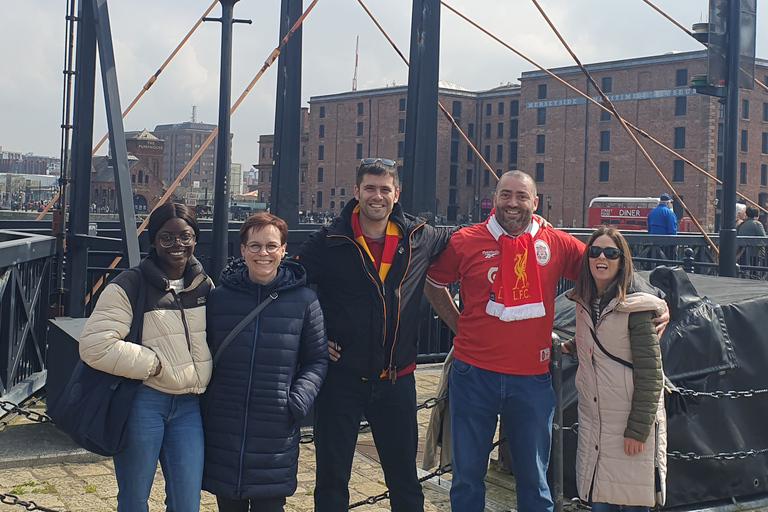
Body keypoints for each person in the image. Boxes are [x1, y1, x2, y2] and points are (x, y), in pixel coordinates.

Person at [423, 171, 669, 512]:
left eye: (522, 196)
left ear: (535, 202)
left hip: (532, 380)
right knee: (466, 476)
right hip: (473, 375)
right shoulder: (466, 240)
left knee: (535, 480)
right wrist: (458, 324)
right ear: (495, 199)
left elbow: (607, 265)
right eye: (505, 195)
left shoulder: (554, 242)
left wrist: (655, 300)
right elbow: (433, 281)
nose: (513, 203)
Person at [294, 157, 456, 511]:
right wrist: (314, 339)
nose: (377, 196)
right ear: (356, 192)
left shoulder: (420, 237)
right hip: (341, 380)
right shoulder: (329, 240)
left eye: (385, 189)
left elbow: (473, 239)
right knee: (332, 480)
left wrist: (529, 222)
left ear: (396, 194)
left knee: (405, 483)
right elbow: (289, 285)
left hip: (397, 381)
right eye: (370, 188)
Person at [79, 202, 213, 512]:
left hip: (190, 405)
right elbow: (94, 345)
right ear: (153, 240)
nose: (177, 245)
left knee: (187, 502)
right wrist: (152, 364)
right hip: (143, 401)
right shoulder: (129, 284)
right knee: (135, 498)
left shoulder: (204, 284)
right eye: (167, 237)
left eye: (186, 236)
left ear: (195, 238)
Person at [202, 213, 328, 512]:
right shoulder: (218, 300)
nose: (263, 253)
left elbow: (317, 358)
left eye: (272, 246)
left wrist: (296, 400)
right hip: (225, 425)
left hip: (275, 427)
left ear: (284, 250)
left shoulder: (304, 300)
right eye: (255, 246)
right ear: (243, 249)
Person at [563, 227, 667, 511]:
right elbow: (600, 336)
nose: (602, 258)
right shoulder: (585, 301)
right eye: (595, 251)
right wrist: (569, 346)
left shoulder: (637, 307)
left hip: (626, 424)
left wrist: (637, 430)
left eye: (611, 253)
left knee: (633, 502)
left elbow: (650, 373)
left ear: (622, 260)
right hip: (597, 422)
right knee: (600, 501)